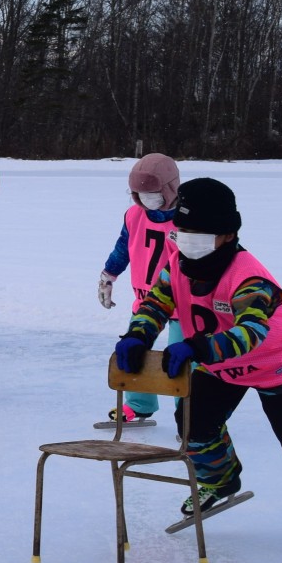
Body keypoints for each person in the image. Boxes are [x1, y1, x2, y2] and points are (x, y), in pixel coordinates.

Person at [114, 178, 282, 515]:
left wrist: (197, 349)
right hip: (222, 366)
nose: (187, 240)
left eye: (198, 233)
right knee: (192, 425)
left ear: (227, 235)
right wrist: (138, 335)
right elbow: (156, 304)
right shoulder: (179, 264)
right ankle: (220, 479)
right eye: (183, 230)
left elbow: (251, 332)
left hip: (281, 366)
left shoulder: (250, 279)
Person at [98, 153, 184, 424]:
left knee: (180, 356)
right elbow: (123, 247)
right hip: (147, 299)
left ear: (169, 188)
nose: (146, 198)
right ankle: (140, 404)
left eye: (153, 192)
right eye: (139, 193)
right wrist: (108, 275)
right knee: (134, 348)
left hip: (183, 301)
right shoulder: (135, 215)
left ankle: (190, 412)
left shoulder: (187, 220)